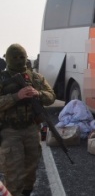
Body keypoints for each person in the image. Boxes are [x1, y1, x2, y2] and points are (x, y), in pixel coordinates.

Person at [0, 44, 55, 196]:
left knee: (30, 172)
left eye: (21, 57)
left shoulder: (35, 77)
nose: (19, 61)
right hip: (9, 132)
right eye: (15, 58)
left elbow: (51, 96)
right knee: (14, 176)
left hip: (31, 129)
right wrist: (15, 96)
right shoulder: (2, 78)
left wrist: (38, 93)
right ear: (8, 59)